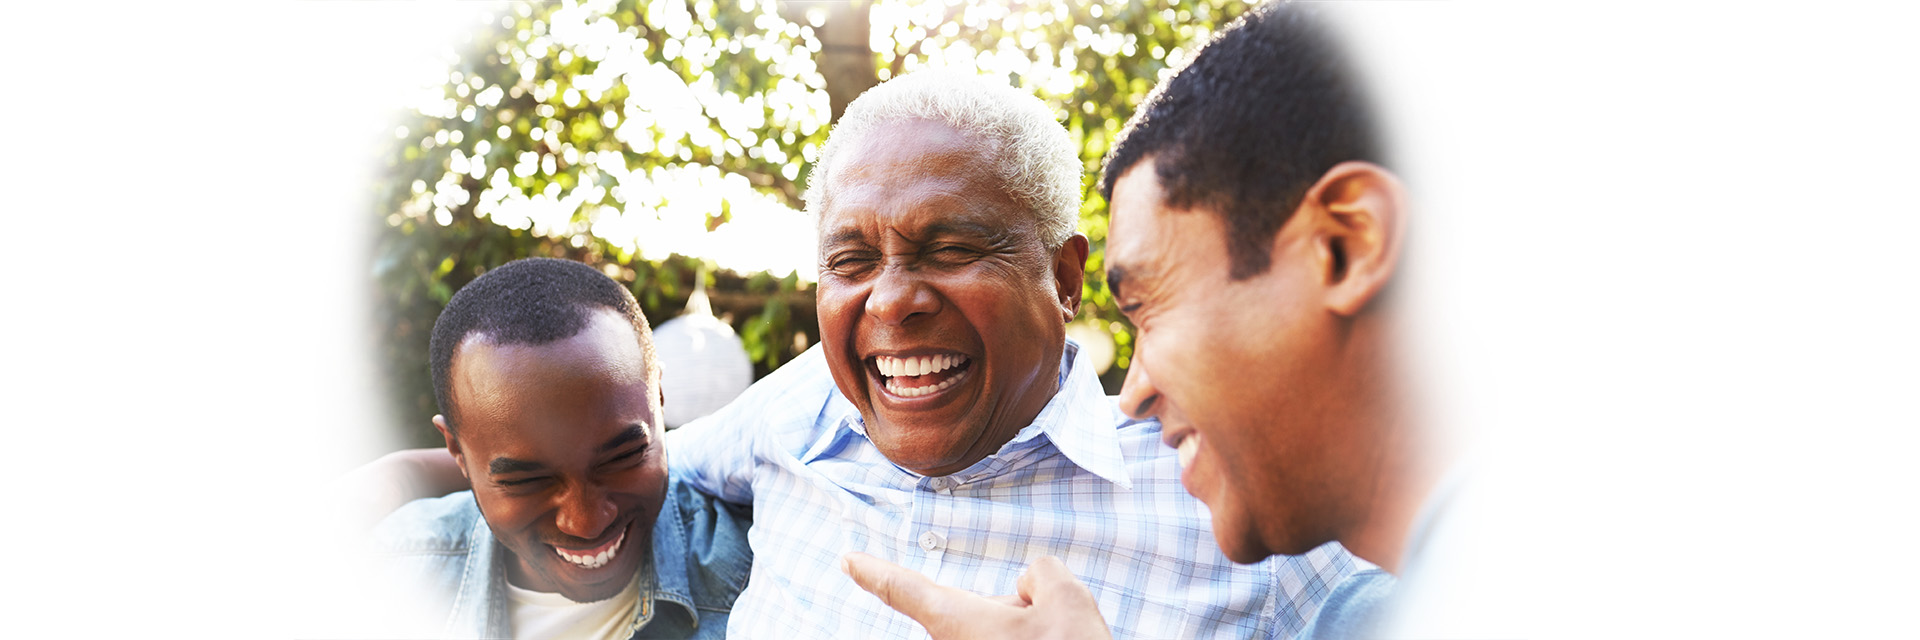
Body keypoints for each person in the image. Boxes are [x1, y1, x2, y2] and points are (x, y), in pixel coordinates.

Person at [361, 69, 1360, 639]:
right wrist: (403, 480)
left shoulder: (1236, 497)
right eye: (852, 259)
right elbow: (621, 465)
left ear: (1062, 277)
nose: (892, 300)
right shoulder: (794, 413)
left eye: (949, 248)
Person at [838, 5, 1454, 639]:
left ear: (1346, 247)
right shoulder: (805, 415)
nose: (1132, 394)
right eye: (850, 261)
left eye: (1151, 306)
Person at [370, 257, 751, 639]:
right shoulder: (386, 578)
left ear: (660, 397)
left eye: (623, 457)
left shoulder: (762, 569)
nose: (586, 522)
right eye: (527, 481)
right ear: (456, 450)